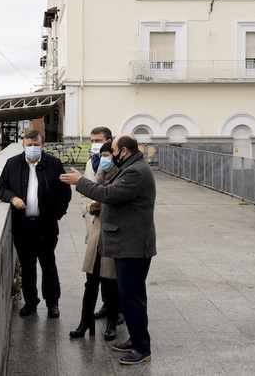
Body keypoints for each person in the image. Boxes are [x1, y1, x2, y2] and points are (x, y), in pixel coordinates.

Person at [60, 134, 156, 366]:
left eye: (113, 150)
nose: (111, 155)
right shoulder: (133, 167)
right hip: (127, 243)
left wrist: (80, 181)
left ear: (123, 151)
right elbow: (117, 198)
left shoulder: (136, 172)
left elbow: (109, 193)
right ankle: (136, 339)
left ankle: (142, 348)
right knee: (132, 296)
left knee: (132, 298)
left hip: (132, 246)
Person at [0, 130, 72, 319]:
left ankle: (52, 303)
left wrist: (56, 214)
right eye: (28, 145)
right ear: (23, 146)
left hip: (46, 226)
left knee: (48, 265)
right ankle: (31, 301)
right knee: (28, 267)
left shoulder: (53, 164)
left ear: (42, 145)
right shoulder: (12, 164)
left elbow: (65, 191)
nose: (32, 148)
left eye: (36, 145)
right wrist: (12, 198)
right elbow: (0, 188)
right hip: (23, 227)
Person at [70, 140, 121, 341]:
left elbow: (114, 198)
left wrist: (102, 205)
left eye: (109, 154)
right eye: (104, 155)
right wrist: (92, 207)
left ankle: (111, 323)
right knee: (91, 281)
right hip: (97, 230)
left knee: (110, 281)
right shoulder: (100, 173)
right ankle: (85, 322)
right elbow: (95, 195)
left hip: (112, 232)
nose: (106, 159)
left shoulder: (122, 174)